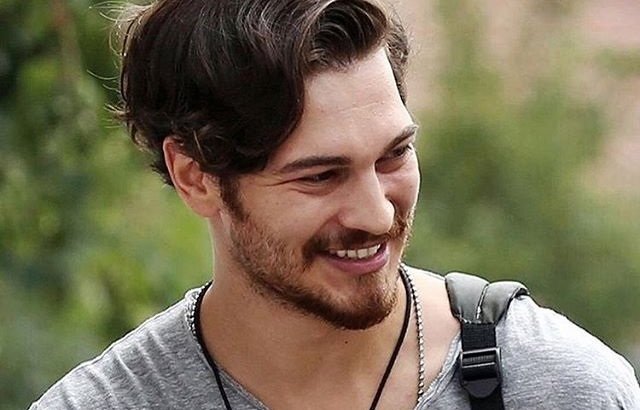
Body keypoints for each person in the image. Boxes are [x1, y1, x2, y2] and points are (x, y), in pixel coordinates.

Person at [31, 0, 640, 409]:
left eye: (394, 156)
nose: (377, 214)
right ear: (195, 177)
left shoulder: (557, 387)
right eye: (321, 177)